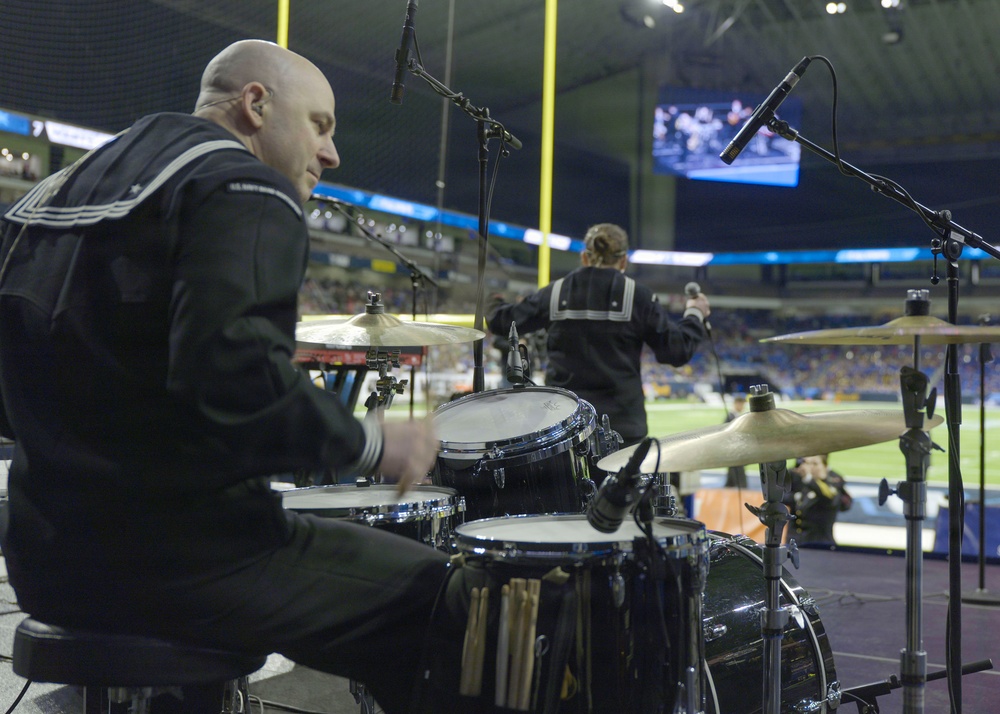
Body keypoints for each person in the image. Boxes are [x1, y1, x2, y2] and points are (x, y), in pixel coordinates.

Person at [0, 39, 454, 713]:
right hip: (182, 564)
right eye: (320, 125)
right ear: (255, 104)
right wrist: (374, 444)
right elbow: (235, 374)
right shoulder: (242, 186)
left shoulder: (54, 190)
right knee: (448, 596)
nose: (331, 154)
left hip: (42, 559)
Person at [486, 223, 710, 449]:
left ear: (584, 257)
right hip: (623, 431)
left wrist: (493, 296)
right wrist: (695, 313)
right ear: (623, 261)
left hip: (565, 430)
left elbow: (501, 321)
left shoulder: (555, 293)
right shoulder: (637, 297)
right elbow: (676, 351)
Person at [788, 454, 853, 545]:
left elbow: (829, 497)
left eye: (815, 464)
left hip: (820, 543)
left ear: (825, 467)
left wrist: (810, 479)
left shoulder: (832, 485)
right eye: (807, 463)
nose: (810, 467)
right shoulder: (802, 483)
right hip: (798, 541)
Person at [724, 394, 749, 488]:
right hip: (734, 451)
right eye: (741, 404)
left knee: (732, 478)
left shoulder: (737, 416)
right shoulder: (730, 417)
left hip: (737, 450)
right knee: (738, 477)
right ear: (736, 404)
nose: (743, 407)